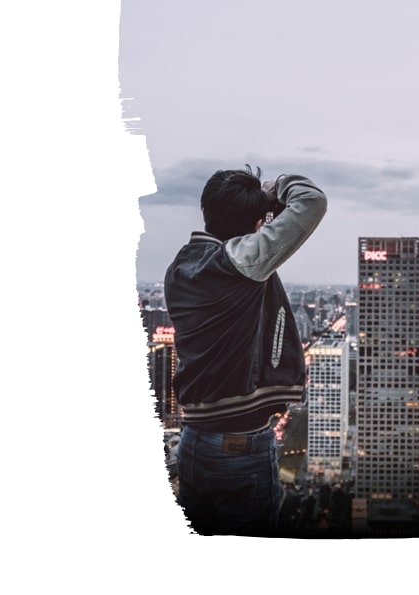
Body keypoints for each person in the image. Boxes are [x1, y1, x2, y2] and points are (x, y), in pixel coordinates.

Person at [164, 165, 327, 536]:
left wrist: (256, 212)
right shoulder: (238, 263)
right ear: (256, 224)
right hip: (241, 446)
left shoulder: (181, 266)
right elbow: (312, 201)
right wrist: (276, 189)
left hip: (192, 440)